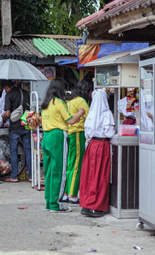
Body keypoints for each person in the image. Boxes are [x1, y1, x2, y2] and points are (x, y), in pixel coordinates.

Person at [40, 78, 86, 212]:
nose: (66, 91)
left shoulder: (46, 103)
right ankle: (56, 203)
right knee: (59, 171)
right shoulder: (59, 102)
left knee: (48, 171)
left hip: (46, 136)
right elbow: (71, 121)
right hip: (58, 136)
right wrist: (80, 112)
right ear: (61, 89)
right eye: (65, 89)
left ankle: (49, 202)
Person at [79, 88, 115, 217]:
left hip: (92, 145)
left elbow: (87, 132)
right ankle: (96, 206)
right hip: (102, 145)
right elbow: (109, 133)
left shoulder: (91, 114)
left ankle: (86, 205)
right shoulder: (107, 114)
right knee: (100, 176)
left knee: (89, 176)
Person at [63, 79, 93, 206]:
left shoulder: (69, 99)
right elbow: (90, 117)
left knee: (69, 165)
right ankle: (73, 195)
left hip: (69, 132)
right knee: (76, 165)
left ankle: (65, 193)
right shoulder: (81, 101)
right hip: (77, 133)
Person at [2, 80, 31, 182]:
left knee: (13, 151)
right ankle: (31, 176)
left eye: (4, 89)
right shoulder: (25, 93)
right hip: (26, 125)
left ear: (6, 87)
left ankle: (14, 176)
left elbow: (8, 113)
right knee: (28, 150)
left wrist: (2, 119)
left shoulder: (9, 95)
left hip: (14, 127)